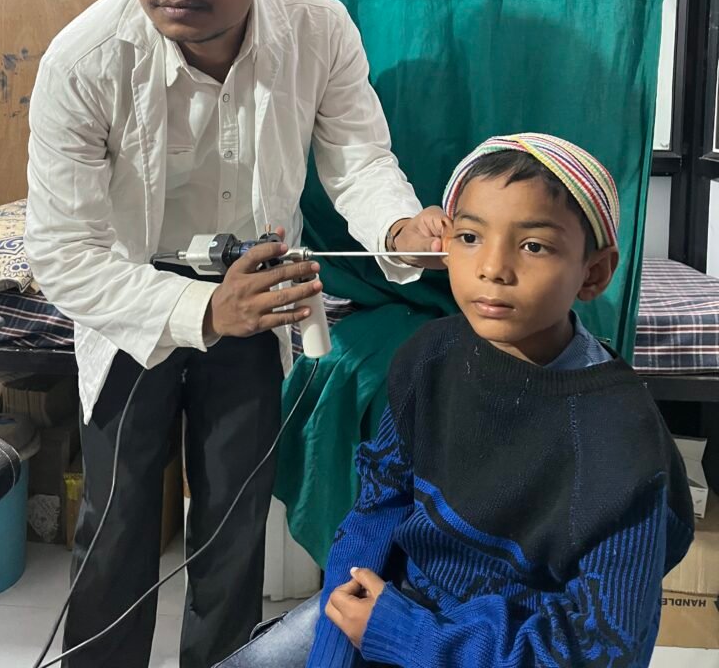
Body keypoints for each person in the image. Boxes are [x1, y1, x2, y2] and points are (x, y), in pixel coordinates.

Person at [23, 0, 447, 668]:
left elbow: (359, 159)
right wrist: (203, 308)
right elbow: (64, 252)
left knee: (232, 528)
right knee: (117, 526)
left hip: (255, 298)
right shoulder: (85, 60)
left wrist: (400, 228)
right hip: (129, 302)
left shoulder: (317, 28)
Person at [218, 133, 694, 668]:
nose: (493, 267)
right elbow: (377, 509)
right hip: (397, 607)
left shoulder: (623, 441)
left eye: (533, 246)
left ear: (595, 271)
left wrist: (409, 636)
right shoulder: (429, 358)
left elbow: (603, 649)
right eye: (469, 237)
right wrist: (336, 648)